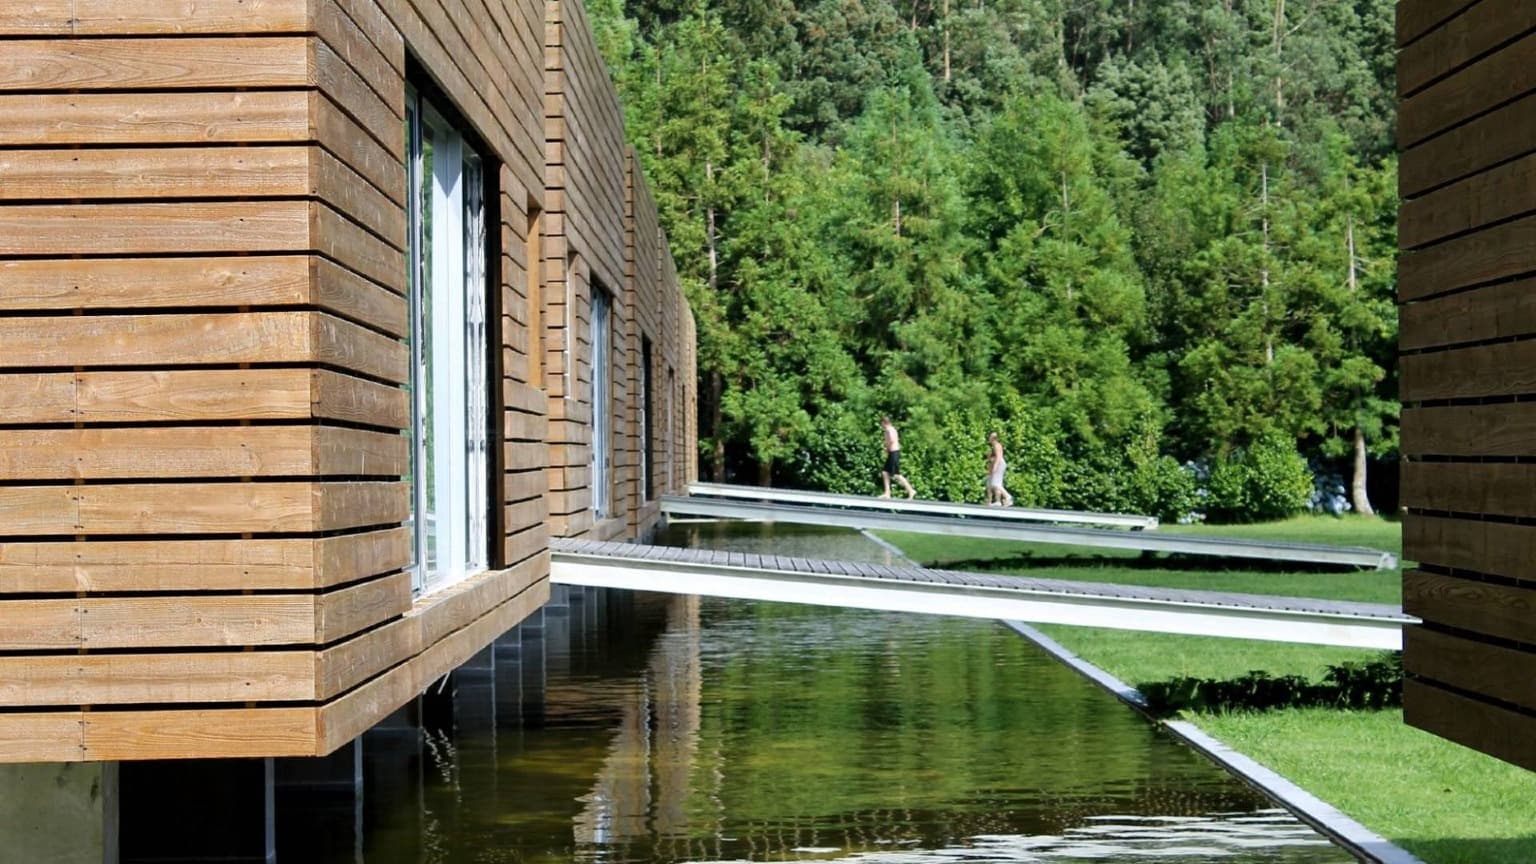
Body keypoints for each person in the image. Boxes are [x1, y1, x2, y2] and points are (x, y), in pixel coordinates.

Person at [878, 416, 916, 499]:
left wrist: (886, 446)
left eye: (882, 424)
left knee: (896, 475)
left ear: (884, 423)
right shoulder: (892, 429)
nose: (882, 426)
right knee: (885, 473)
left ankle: (911, 490)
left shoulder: (889, 430)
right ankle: (887, 493)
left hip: (894, 453)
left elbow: (891, 440)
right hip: (892, 453)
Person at [985, 431, 1014, 507]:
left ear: (993, 438)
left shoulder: (997, 445)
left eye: (990, 437)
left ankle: (1008, 497)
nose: (989, 438)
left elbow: (998, 457)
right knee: (997, 483)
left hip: (999, 464)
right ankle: (998, 501)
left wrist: (995, 467)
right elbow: (993, 458)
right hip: (997, 463)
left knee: (995, 483)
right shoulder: (993, 446)